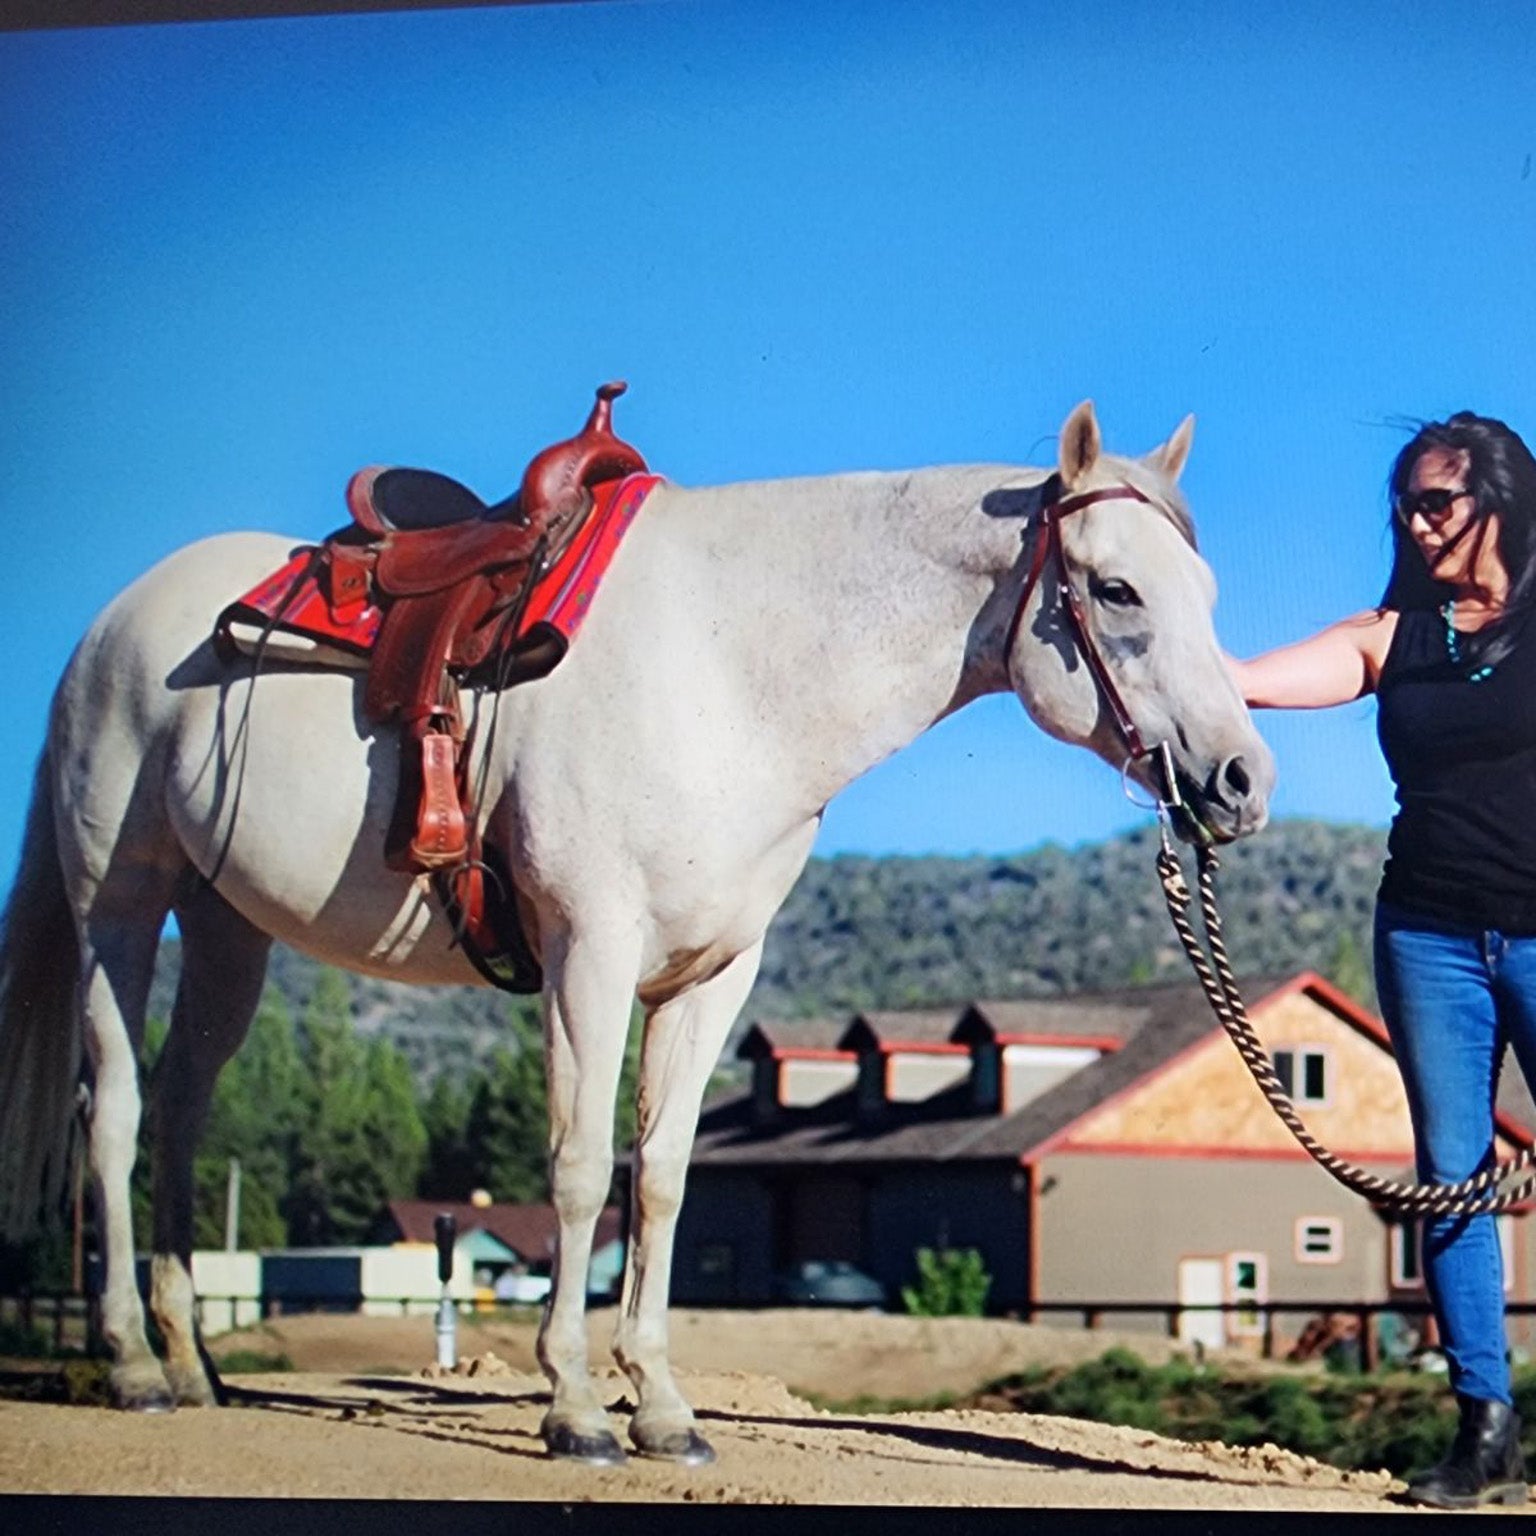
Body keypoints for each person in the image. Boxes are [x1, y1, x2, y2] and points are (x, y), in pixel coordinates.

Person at [1227, 411, 1536, 1510]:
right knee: (1451, 1176)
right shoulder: (1392, 634)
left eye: (1438, 501)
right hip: (1427, 934)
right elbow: (1247, 681)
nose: (1417, 520)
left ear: (1499, 498)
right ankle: (1484, 1426)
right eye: (1405, 503)